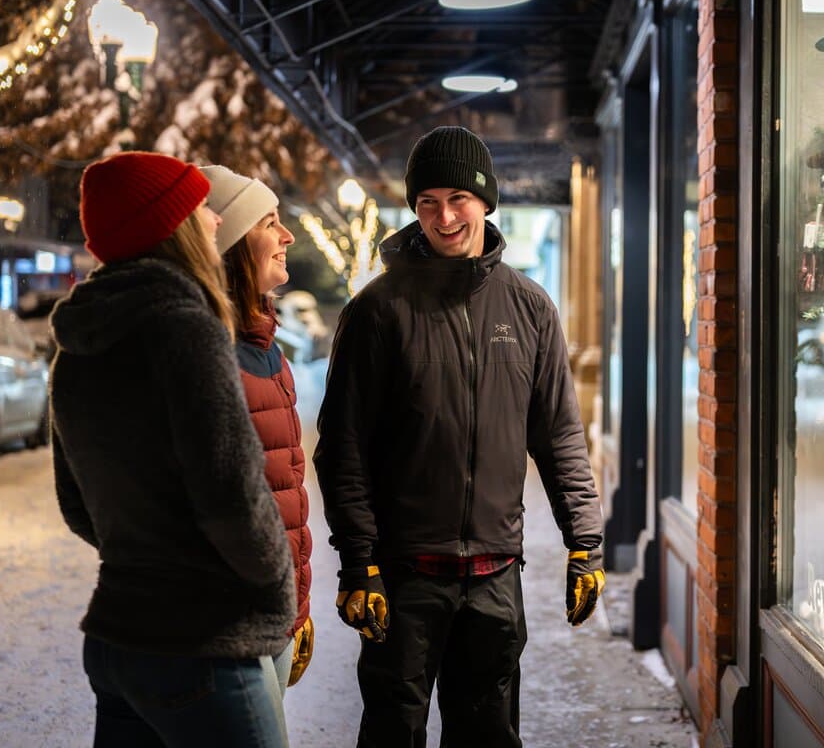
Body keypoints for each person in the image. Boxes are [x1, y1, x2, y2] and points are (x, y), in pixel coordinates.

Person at [314, 126, 606, 748]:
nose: (443, 217)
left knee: (488, 737)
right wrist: (358, 563)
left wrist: (584, 541)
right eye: (426, 203)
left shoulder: (529, 308)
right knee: (393, 733)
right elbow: (343, 448)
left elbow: (558, 435)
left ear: (486, 201)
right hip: (403, 577)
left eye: (457, 199)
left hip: (495, 577)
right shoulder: (377, 312)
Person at [50, 151, 296, 747]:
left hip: (118, 636)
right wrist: (275, 583)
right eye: (199, 210)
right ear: (174, 228)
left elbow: (77, 505)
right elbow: (232, 497)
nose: (214, 221)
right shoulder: (187, 329)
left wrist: (147, 558)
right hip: (203, 641)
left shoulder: (78, 344)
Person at [199, 165, 314, 737]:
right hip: (231, 623)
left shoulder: (268, 349)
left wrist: (297, 607)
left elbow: (282, 489)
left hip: (272, 614)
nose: (288, 235)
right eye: (271, 223)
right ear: (234, 243)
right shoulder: (211, 351)